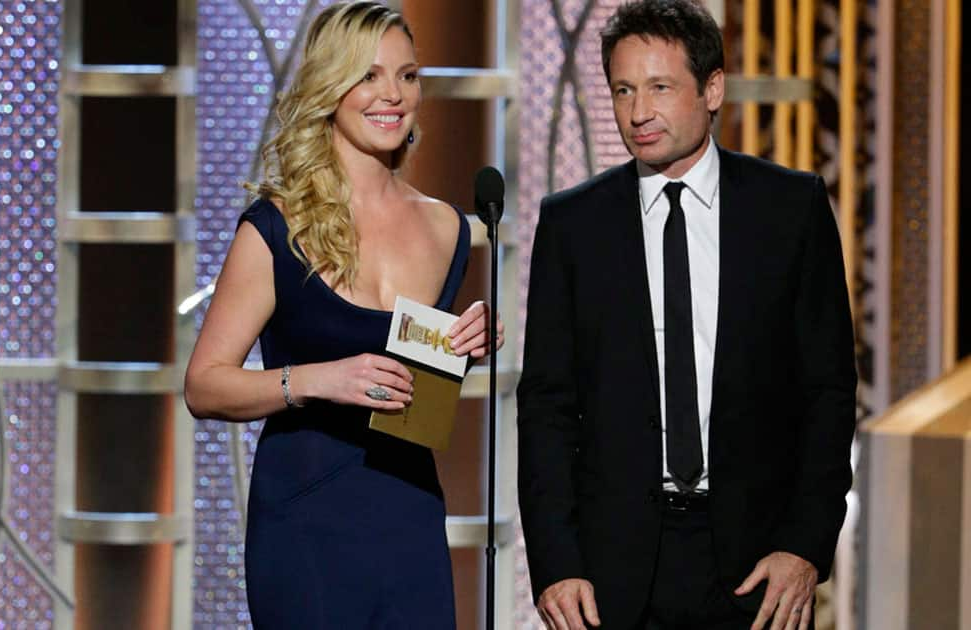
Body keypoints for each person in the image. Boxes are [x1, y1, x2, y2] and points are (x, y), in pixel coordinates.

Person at [516, 1, 856, 629]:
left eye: (659, 87)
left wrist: (805, 546)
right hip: (611, 573)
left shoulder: (791, 209)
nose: (638, 112)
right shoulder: (574, 224)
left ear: (713, 89)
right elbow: (546, 406)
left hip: (758, 569)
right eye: (622, 90)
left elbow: (828, 394)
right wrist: (556, 562)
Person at [184, 3, 503, 627]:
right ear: (330, 88)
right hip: (305, 520)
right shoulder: (278, 227)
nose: (393, 95)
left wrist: (463, 344)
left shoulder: (448, 228)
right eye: (369, 76)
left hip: (409, 514)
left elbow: (415, 394)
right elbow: (204, 385)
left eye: (407, 76)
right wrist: (316, 379)